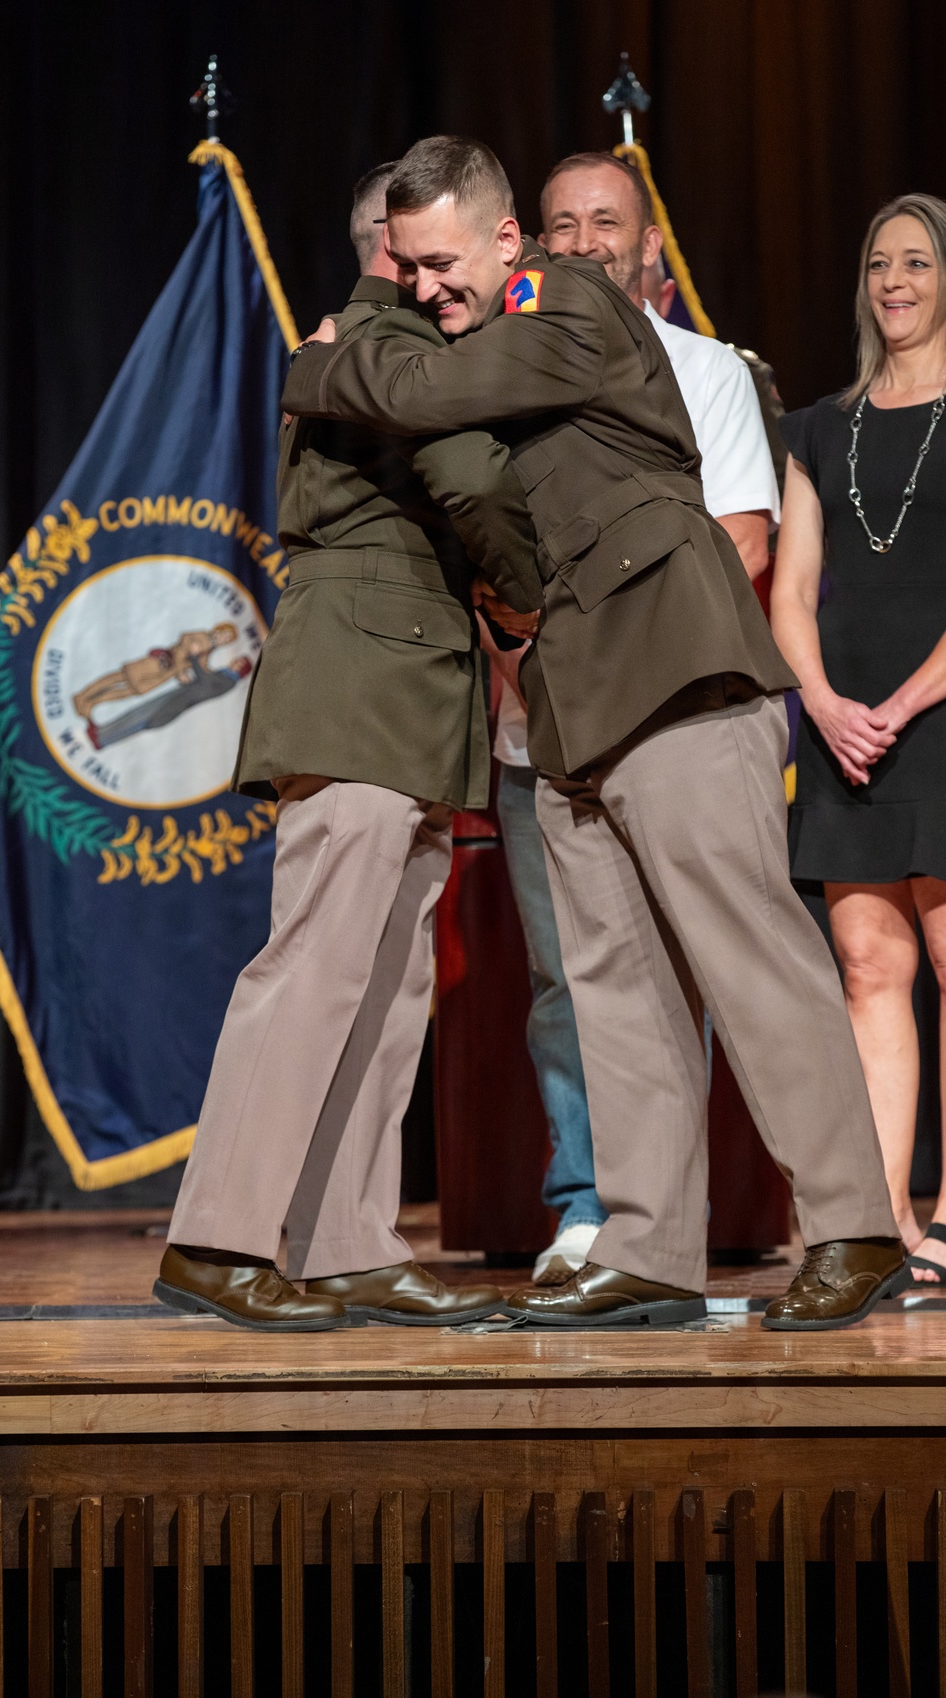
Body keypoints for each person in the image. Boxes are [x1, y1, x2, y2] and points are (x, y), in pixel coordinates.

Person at [284, 133, 906, 1330]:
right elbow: (464, 474)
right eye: (402, 269)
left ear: (507, 239)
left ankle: (853, 1224)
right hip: (572, 701)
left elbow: (421, 399)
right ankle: (650, 1246)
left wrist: (322, 361)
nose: (425, 286)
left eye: (438, 261)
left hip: (672, 667)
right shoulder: (486, 344)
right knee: (617, 986)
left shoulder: (562, 301)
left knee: (750, 955)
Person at [156, 161, 542, 1330]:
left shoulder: (386, 337)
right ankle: (218, 1235)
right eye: (416, 250)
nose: (434, 274)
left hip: (412, 687)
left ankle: (347, 1239)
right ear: (387, 242)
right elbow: (468, 476)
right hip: (364, 678)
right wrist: (526, 595)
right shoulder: (376, 342)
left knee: (385, 979)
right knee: (318, 963)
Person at [490, 150, 780, 1282]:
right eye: (558, 223)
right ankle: (588, 1204)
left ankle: (670, 1218)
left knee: (698, 971)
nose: (580, 241)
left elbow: (739, 545)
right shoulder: (498, 371)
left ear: (652, 245)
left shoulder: (703, 370)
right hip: (540, 735)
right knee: (574, 981)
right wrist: (518, 639)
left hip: (667, 726)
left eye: (603, 222)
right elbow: (486, 551)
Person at [771, 192, 946, 1288]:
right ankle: (882, 1222)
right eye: (879, 262)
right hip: (847, 727)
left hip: (937, 712)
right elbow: (791, 587)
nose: (894, 282)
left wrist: (914, 695)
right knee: (867, 964)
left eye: (918, 262)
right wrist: (826, 701)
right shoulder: (819, 426)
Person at [86, 654, 254, 750]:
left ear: (241, 670)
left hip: (173, 705)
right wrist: (187, 680)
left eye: (239, 663)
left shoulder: (228, 682)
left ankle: (102, 739)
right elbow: (201, 688)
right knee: (136, 714)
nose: (235, 662)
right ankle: (102, 731)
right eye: (237, 660)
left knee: (136, 720)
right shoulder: (224, 675)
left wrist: (194, 659)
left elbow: (204, 681)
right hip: (176, 698)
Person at [73, 623, 236, 718]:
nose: (224, 638)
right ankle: (82, 696)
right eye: (225, 634)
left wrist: (203, 676)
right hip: (159, 662)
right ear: (219, 629)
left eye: (228, 639)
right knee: (119, 677)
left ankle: (91, 703)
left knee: (131, 691)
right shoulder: (201, 635)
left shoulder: (208, 652)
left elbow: (201, 667)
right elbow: (183, 644)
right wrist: (181, 670)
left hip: (165, 674)